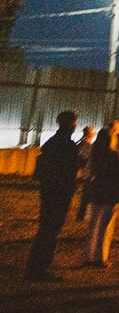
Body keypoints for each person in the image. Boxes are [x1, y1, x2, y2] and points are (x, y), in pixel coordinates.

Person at [24, 110, 80, 281]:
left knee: (46, 230)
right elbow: (67, 170)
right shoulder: (67, 146)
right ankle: (38, 270)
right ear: (71, 124)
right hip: (59, 194)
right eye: (75, 123)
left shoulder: (51, 143)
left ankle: (35, 268)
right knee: (49, 231)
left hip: (49, 192)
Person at [82, 119, 119, 267]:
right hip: (110, 193)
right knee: (105, 228)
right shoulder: (113, 155)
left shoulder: (94, 153)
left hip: (95, 192)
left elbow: (86, 173)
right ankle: (101, 258)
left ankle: (89, 257)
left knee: (93, 226)